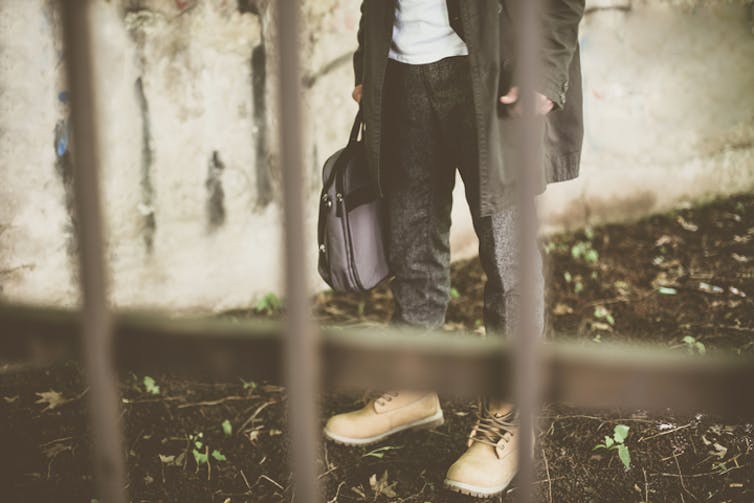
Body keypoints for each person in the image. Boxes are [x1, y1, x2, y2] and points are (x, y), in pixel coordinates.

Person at [323, 0, 584, 497]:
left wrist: (544, 68)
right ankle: (414, 385)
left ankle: (511, 417)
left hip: (492, 72)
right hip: (400, 73)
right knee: (410, 242)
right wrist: (368, 61)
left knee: (508, 258)